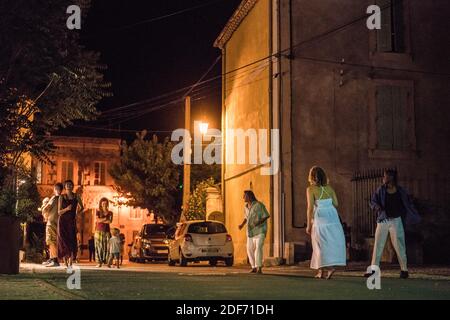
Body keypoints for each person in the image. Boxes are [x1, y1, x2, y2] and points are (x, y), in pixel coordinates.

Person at [366, 169, 421, 279]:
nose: (383, 178)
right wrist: (377, 208)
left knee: (399, 245)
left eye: (385, 176)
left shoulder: (400, 191)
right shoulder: (381, 190)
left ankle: (404, 270)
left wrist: (407, 214)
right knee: (378, 245)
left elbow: (408, 203)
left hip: (396, 220)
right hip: (383, 220)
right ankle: (373, 270)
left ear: (391, 178)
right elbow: (372, 201)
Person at [306, 166, 346, 279]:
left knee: (318, 244)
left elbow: (309, 208)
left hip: (320, 217)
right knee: (330, 243)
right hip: (332, 216)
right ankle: (326, 269)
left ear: (312, 177)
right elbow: (336, 203)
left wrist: (309, 224)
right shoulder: (329, 188)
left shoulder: (311, 189)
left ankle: (324, 270)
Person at [238, 190, 270, 274]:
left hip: (260, 231)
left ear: (249, 196)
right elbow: (246, 218)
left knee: (258, 248)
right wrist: (241, 225)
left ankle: (259, 267)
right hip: (250, 231)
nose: (243, 197)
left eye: (244, 196)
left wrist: (258, 222)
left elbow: (266, 215)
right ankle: (254, 267)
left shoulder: (259, 205)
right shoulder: (245, 207)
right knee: (249, 249)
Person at [58, 180, 84, 269]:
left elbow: (82, 207)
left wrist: (77, 213)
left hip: (71, 221)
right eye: (67, 185)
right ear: (65, 187)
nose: (68, 186)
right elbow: (59, 212)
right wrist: (67, 209)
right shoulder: (62, 197)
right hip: (63, 222)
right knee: (64, 241)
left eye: (70, 185)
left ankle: (70, 262)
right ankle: (65, 262)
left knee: (72, 241)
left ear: (73, 186)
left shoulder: (76, 196)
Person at [41, 183, 64, 267]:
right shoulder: (61, 199)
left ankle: (55, 260)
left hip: (52, 222)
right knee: (51, 240)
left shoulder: (55, 198)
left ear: (55, 189)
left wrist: (43, 207)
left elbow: (47, 207)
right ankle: (51, 258)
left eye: (56, 189)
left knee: (51, 240)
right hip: (56, 221)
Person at [95, 197, 113, 267]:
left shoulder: (110, 212)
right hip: (98, 231)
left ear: (107, 204)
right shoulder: (98, 211)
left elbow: (110, 221)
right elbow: (97, 220)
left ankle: (106, 261)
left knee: (107, 247)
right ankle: (99, 262)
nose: (104, 204)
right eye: (103, 203)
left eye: (105, 203)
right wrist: (105, 218)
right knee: (99, 247)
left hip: (107, 231)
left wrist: (101, 219)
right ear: (101, 204)